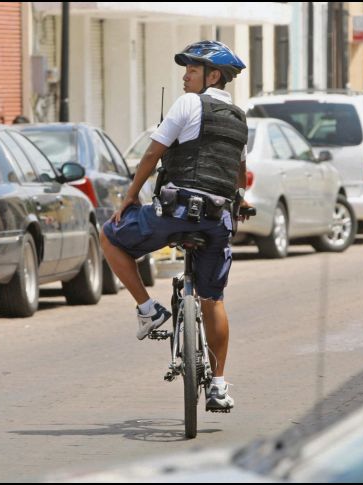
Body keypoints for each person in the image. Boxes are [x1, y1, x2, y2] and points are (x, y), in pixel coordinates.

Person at [100, 40, 251, 413]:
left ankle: (148, 309)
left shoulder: (188, 104)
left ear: (212, 76)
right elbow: (236, 171)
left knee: (109, 236)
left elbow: (153, 153)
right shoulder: (239, 117)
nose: (185, 77)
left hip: (175, 212)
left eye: (193, 70)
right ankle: (218, 384)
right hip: (217, 219)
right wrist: (241, 199)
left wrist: (129, 197)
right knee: (212, 298)